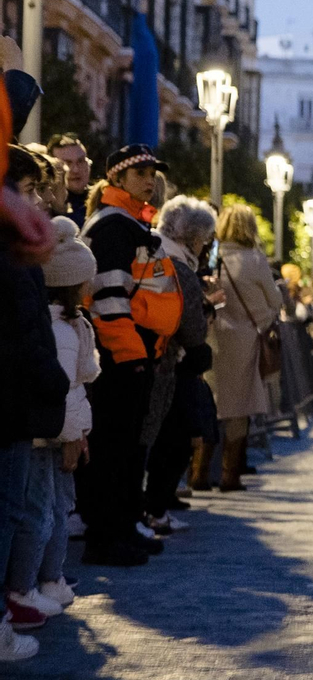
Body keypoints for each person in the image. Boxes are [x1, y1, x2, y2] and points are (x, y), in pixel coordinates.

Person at [80, 145, 181, 565]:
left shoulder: (131, 223)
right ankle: (105, 540)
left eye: (152, 172)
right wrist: (130, 354)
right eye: (140, 172)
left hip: (136, 354)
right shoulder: (113, 226)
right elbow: (108, 294)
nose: (149, 179)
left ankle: (122, 528)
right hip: (120, 358)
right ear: (116, 179)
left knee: (124, 452)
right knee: (111, 452)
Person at [4, 217, 96, 641]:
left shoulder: (64, 326)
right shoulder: (65, 332)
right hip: (50, 433)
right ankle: (31, 584)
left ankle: (41, 580)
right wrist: (73, 434)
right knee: (41, 513)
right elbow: (68, 389)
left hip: (52, 429)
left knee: (46, 511)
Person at [0, 179, 71, 651]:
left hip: (19, 401)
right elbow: (26, 330)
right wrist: (55, 383)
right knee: (14, 509)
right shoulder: (13, 255)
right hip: (15, 402)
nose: (37, 200)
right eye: (28, 187)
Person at [144, 197, 217, 532]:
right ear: (193, 238)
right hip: (168, 365)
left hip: (152, 360)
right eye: (204, 240)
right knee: (173, 438)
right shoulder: (181, 267)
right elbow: (192, 328)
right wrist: (206, 312)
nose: (205, 248)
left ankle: (152, 509)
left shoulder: (153, 252)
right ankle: (155, 509)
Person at [207, 204, 282, 493]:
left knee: (211, 403)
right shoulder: (255, 259)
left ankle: (199, 471)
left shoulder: (214, 256)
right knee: (238, 408)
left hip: (213, 338)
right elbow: (274, 301)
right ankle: (229, 474)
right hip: (245, 342)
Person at [45, 134, 92, 227]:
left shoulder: (101, 201)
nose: (75, 170)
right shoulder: (42, 205)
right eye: (67, 163)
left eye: (80, 161)